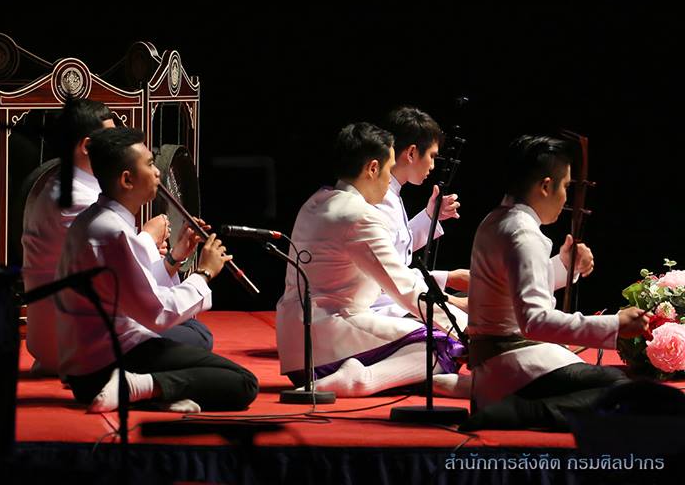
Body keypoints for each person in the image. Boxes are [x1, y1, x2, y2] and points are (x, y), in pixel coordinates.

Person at [55, 126, 258, 413]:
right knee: (244, 382)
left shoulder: (95, 220)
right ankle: (137, 387)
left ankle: (154, 391)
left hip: (87, 368)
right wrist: (204, 273)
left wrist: (176, 256)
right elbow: (157, 314)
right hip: (108, 364)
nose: (158, 172)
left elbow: (137, 289)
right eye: (150, 164)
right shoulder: (112, 231)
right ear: (127, 179)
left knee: (197, 340)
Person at [461, 135, 650, 430]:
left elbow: (510, 285)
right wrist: (615, 324)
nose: (565, 198)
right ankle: (525, 413)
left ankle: (515, 408)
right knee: (629, 391)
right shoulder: (523, 233)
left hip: (498, 367)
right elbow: (534, 322)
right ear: (546, 186)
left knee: (617, 384)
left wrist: (563, 265)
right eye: (565, 187)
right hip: (514, 364)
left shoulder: (496, 220)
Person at [276, 122, 468, 398]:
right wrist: (463, 330)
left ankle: (416, 379)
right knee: (444, 345)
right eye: (389, 170)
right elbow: (403, 287)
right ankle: (361, 379)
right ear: (373, 168)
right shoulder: (360, 215)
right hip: (327, 343)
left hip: (297, 349)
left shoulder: (315, 202)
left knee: (430, 337)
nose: (390, 180)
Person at [22, 99, 213, 376]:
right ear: (87, 146)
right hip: (76, 340)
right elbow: (132, 289)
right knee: (197, 334)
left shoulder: (60, 184)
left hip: (65, 332)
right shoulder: (78, 200)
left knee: (189, 328)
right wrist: (148, 238)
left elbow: (127, 279)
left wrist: (174, 256)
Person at [371, 107, 469, 316]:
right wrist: (448, 286)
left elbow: (394, 247)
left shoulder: (391, 193)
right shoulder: (378, 197)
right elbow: (388, 275)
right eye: (432, 156)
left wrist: (430, 216)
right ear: (412, 153)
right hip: (380, 309)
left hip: (394, 302)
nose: (432, 166)